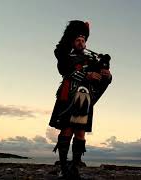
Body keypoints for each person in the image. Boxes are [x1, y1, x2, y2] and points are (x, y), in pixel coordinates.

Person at [49, 20, 112, 174]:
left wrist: (107, 75)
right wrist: (87, 75)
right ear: (72, 41)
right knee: (66, 131)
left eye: (83, 40)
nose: (81, 42)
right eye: (77, 40)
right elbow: (65, 71)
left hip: (84, 100)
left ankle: (75, 167)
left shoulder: (92, 59)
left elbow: (102, 78)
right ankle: (64, 168)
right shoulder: (65, 56)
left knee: (80, 133)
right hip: (68, 97)